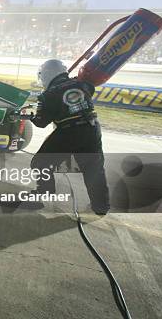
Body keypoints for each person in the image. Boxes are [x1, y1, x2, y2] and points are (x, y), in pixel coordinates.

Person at [28, 59, 109, 215]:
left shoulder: (48, 95)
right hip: (92, 128)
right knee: (94, 169)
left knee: (40, 162)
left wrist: (29, 115)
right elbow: (90, 89)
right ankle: (101, 207)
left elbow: (41, 122)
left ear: (46, 75)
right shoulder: (81, 84)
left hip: (68, 132)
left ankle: (45, 192)